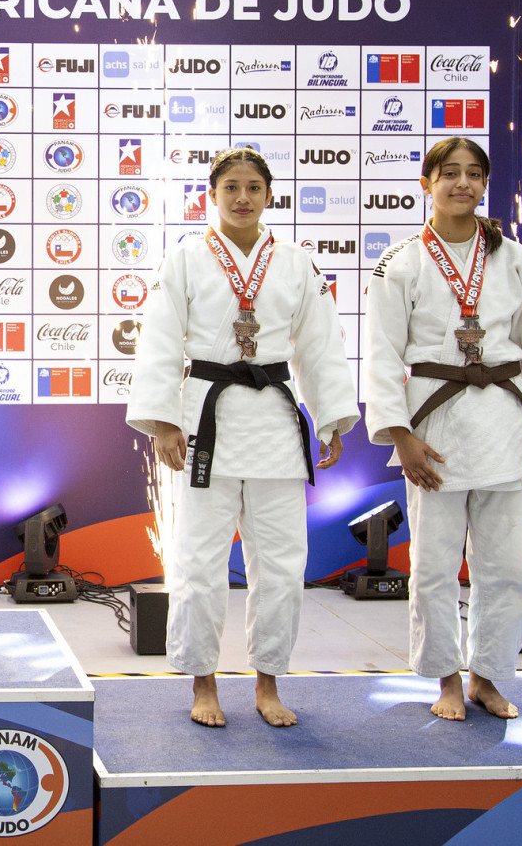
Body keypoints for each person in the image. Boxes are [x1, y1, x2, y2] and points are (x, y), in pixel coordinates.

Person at [128, 147, 358, 728]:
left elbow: (321, 344)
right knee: (200, 561)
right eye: (230, 186)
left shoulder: (297, 262)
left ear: (269, 195)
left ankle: (268, 681)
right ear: (212, 194)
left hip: (275, 424)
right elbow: (159, 341)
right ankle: (203, 682)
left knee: (281, 565)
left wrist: (329, 417)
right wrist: (162, 420)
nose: (242, 197)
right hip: (206, 417)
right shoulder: (184, 259)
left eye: (253, 186)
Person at [363, 137, 522, 720]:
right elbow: (382, 354)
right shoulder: (402, 262)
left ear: (485, 185)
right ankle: (445, 680)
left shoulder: (515, 259)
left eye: (473, 174)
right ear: (427, 183)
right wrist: (399, 434)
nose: (462, 183)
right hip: (433, 424)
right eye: (449, 173)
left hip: (505, 425)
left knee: (509, 567)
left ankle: (489, 675)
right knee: (435, 565)